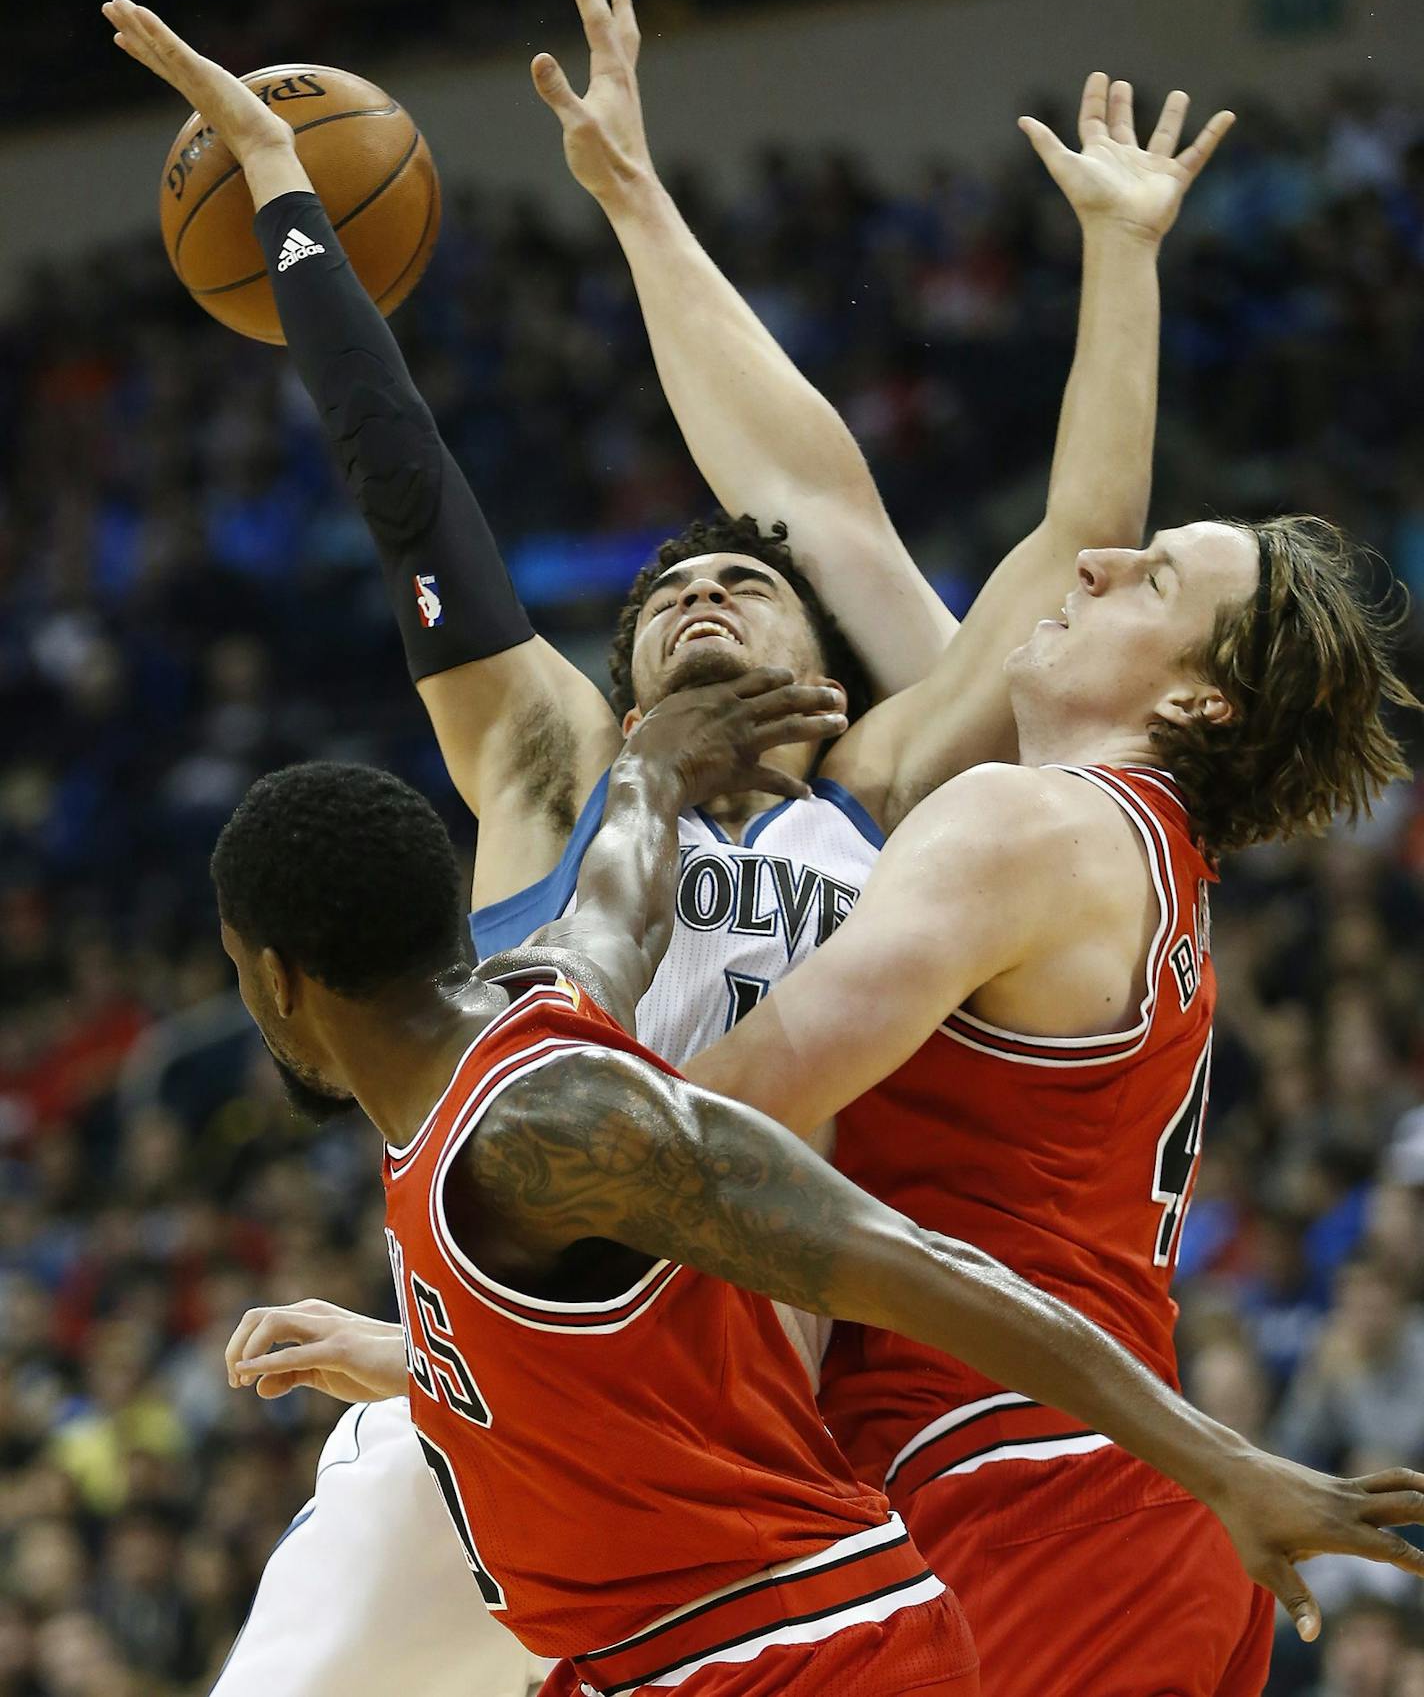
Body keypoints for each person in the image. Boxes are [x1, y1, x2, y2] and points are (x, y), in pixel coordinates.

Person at [105, 0, 1228, 1697]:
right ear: (616, 666)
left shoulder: (895, 797)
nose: (706, 591)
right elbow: (406, 485)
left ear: (816, 662)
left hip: (759, 1458)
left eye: (747, 584)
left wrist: (1119, 254)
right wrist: (279, 191)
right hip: (505, 1405)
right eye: (669, 589)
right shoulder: (551, 762)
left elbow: (1077, 531)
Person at [206, 706, 1424, 1697]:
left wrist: (1222, 1467)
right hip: (663, 1658)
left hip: (797, 1652)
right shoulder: (528, 1010)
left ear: (273, 975)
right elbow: (617, 904)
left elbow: (908, 1262)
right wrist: (647, 765)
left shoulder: (548, 1120)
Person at [679, 510, 1423, 1693]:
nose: (1097, 561)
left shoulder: (1030, 822)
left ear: (1197, 703)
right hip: (1115, 1496)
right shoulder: (1145, 866)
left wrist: (464, 1288)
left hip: (1021, 1490)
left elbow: (701, 1124)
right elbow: (833, 512)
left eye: (1153, 577)